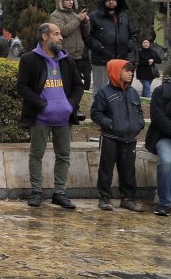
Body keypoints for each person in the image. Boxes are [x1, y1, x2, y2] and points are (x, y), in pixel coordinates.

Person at [16, 22, 83, 209]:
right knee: (36, 155)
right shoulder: (29, 59)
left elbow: (78, 86)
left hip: (64, 118)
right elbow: (22, 86)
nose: (61, 37)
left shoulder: (67, 60)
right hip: (41, 118)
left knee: (64, 156)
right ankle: (36, 192)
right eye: (56, 34)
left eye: (60, 34)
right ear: (45, 37)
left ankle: (59, 193)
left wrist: (70, 105)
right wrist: (41, 105)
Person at [90, 59, 145, 212]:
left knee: (128, 170)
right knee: (106, 169)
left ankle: (128, 198)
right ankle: (104, 198)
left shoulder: (133, 92)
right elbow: (95, 113)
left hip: (130, 139)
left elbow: (139, 111)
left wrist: (139, 123)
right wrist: (110, 124)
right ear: (116, 72)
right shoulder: (104, 92)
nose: (131, 73)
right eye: (126, 70)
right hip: (111, 138)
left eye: (131, 71)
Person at [88, 0, 137, 92]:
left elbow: (133, 34)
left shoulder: (124, 17)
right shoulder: (93, 16)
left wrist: (129, 45)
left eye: (113, 0)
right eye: (108, 0)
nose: (111, 2)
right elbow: (87, 37)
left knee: (119, 88)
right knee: (100, 89)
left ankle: (116, 108)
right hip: (101, 60)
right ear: (103, 2)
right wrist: (100, 48)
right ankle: (98, 108)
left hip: (121, 59)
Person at [49, 0, 92, 91]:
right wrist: (78, 19)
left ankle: (74, 106)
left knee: (76, 85)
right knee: (66, 84)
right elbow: (63, 31)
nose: (71, 2)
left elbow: (85, 33)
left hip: (78, 56)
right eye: (68, 0)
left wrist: (85, 22)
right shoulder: (55, 16)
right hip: (64, 55)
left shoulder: (74, 15)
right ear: (60, 1)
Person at [145, 76, 171, 216]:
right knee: (167, 162)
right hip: (164, 137)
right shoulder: (160, 91)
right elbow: (158, 118)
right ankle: (165, 203)